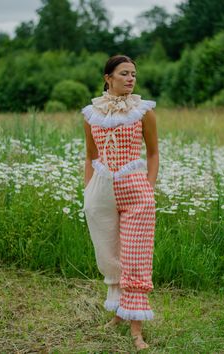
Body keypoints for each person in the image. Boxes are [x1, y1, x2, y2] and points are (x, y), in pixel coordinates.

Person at [82, 54, 159, 351]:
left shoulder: (143, 112)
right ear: (108, 78)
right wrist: (88, 190)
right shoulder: (91, 114)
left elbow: (153, 153)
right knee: (109, 253)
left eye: (134, 74)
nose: (130, 79)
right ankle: (118, 312)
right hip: (102, 190)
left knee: (136, 257)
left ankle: (136, 331)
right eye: (124, 73)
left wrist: (148, 188)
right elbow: (91, 155)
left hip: (135, 190)